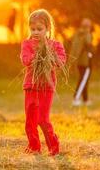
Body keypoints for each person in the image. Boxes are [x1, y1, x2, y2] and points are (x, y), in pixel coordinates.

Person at [20, 9, 66, 156]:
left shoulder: (55, 45)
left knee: (42, 119)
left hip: (47, 87)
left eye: (39, 29)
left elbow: (61, 61)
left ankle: (53, 146)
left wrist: (49, 54)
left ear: (47, 28)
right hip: (31, 86)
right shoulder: (27, 44)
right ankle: (34, 146)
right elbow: (25, 60)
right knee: (30, 119)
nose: (36, 32)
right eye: (33, 29)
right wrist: (37, 56)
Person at [70, 18, 93, 106]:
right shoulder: (85, 34)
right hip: (85, 61)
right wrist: (88, 34)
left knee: (84, 80)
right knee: (83, 80)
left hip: (81, 61)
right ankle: (76, 98)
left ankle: (85, 99)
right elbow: (88, 43)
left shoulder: (77, 34)